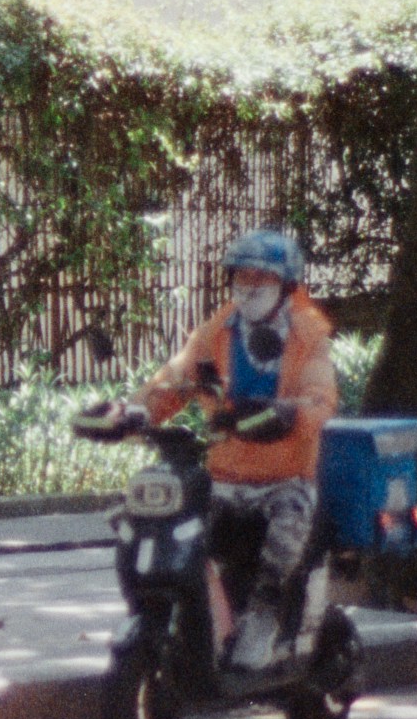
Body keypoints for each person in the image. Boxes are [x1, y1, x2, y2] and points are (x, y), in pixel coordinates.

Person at [135, 227, 337, 669]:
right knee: (177, 536)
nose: (247, 291)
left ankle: (264, 619)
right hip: (224, 480)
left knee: (285, 539)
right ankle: (202, 627)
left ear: (286, 287)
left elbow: (321, 400)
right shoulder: (217, 332)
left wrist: (289, 413)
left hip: (287, 480)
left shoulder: (308, 336)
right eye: (240, 280)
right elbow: (174, 379)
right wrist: (132, 413)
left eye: (260, 282)